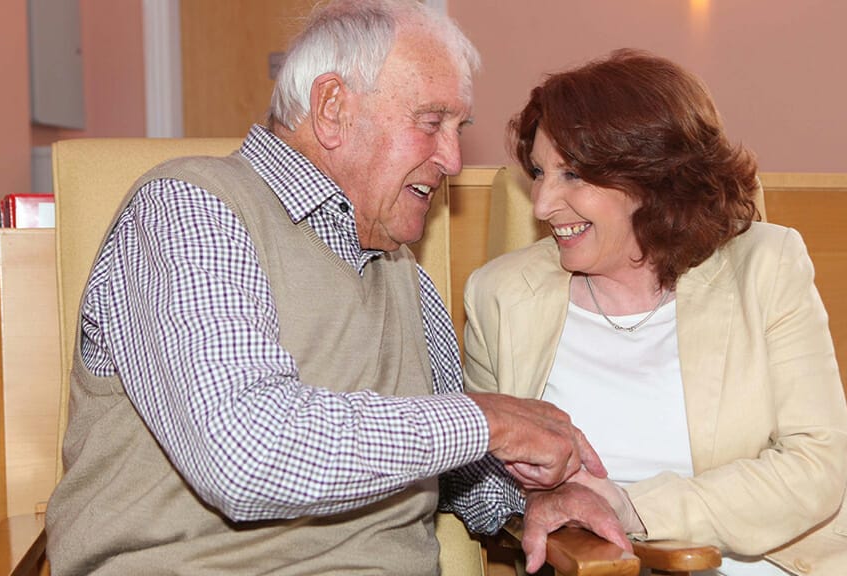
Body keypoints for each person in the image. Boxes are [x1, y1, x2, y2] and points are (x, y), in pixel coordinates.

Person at [44, 2, 629, 574]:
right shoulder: (190, 210)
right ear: (332, 109)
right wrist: (486, 420)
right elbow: (246, 455)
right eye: (431, 123)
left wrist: (531, 499)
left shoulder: (405, 274)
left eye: (458, 129)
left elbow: (456, 468)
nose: (452, 160)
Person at [463, 49, 847, 575]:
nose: (543, 204)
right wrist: (539, 502)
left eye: (572, 175)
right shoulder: (501, 297)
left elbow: (818, 463)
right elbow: (482, 477)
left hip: (832, 555)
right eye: (539, 172)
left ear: (652, 177)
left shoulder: (766, 265)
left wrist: (634, 506)